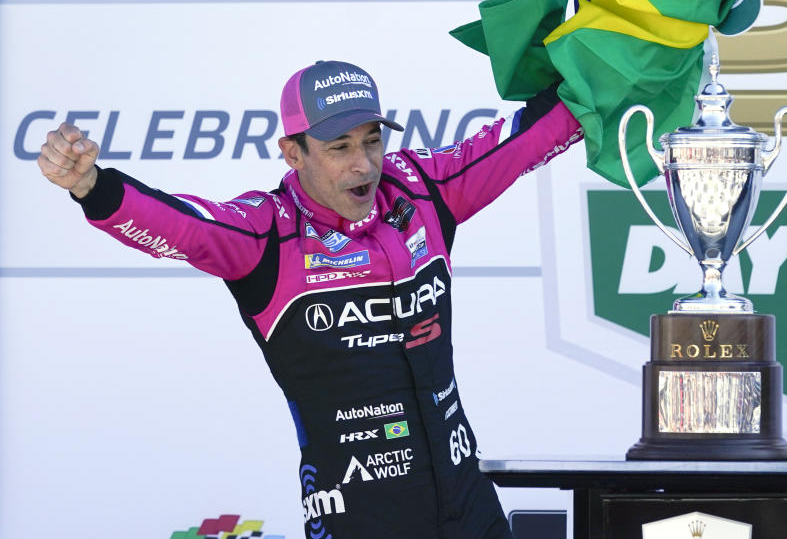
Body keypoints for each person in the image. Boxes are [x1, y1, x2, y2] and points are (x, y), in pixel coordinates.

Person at [37, 59, 584, 539]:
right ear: (293, 153)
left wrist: (601, 69)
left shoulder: (422, 189)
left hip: (469, 504)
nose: (363, 166)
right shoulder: (265, 233)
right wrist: (93, 186)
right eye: (339, 147)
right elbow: (185, 225)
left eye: (372, 141)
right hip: (359, 515)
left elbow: (521, 141)